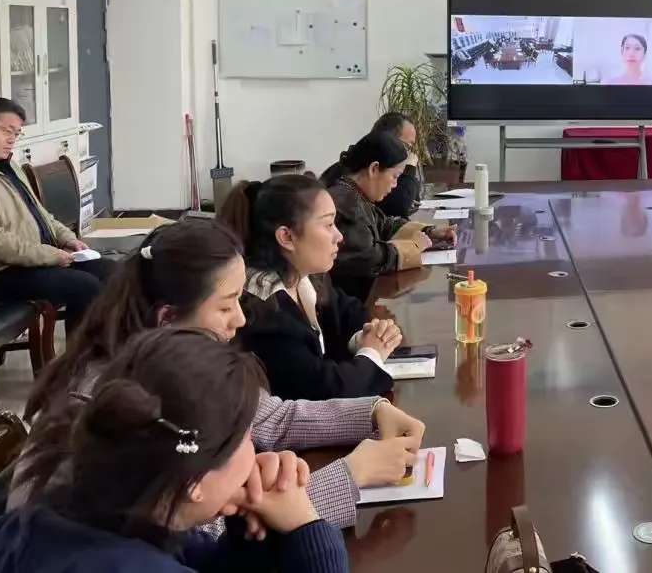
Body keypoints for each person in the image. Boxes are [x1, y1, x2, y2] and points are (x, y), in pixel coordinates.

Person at [21, 219, 425, 530]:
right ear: (168, 318)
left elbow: (269, 417)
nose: (241, 319)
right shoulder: (118, 401)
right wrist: (352, 475)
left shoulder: (173, 360)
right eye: (226, 305)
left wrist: (371, 412)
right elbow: (203, 532)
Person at [0, 327, 348, 573]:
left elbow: (200, 559)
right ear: (194, 481)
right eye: (246, 436)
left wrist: (250, 530)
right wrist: (309, 528)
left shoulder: (64, 514)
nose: (255, 447)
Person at [222, 175, 406, 400]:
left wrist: (367, 335)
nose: (339, 236)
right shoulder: (260, 310)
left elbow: (350, 311)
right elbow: (327, 390)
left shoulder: (306, 277)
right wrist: (371, 352)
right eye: (328, 224)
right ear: (286, 237)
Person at [0, 97, 116, 332]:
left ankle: (99, 345)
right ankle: (80, 354)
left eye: (17, 134)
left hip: (31, 260)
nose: (12, 140)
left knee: (110, 271)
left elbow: (40, 213)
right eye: (7, 131)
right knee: (84, 286)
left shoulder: (9, 166)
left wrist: (68, 239)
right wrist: (52, 256)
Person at [323, 131, 453, 302]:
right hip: (351, 304)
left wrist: (429, 231)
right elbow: (369, 258)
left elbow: (384, 225)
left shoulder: (354, 194)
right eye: (395, 176)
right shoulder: (345, 204)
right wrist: (414, 246)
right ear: (374, 169)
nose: (395, 185)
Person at [320, 113, 421, 220]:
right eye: (407, 146)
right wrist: (410, 167)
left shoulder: (362, 177)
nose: (409, 154)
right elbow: (399, 206)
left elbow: (385, 222)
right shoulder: (347, 197)